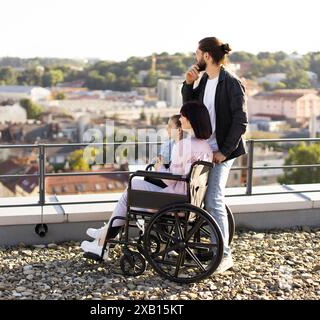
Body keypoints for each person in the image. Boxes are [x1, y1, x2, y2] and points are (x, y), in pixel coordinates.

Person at [81, 101, 214, 259]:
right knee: (134, 187)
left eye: (184, 116)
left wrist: (159, 168)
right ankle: (103, 237)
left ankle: (103, 241)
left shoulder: (184, 145)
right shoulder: (206, 147)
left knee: (131, 188)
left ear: (191, 120)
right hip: (190, 199)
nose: (181, 119)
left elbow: (170, 180)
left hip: (174, 199)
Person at [182, 37, 248, 273]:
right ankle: (204, 247)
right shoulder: (204, 81)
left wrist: (223, 152)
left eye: (196, 54)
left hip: (222, 152)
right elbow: (189, 112)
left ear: (207, 56)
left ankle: (224, 256)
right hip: (204, 150)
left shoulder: (231, 82)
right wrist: (188, 84)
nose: (195, 58)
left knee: (213, 199)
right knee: (195, 197)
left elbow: (241, 121)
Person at [145, 114, 184, 188]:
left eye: (170, 126)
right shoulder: (170, 143)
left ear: (179, 130)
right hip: (168, 177)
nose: (167, 129)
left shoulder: (179, 147)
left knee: (142, 180)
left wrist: (160, 162)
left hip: (170, 181)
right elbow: (155, 161)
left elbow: (155, 163)